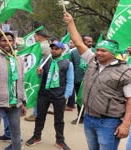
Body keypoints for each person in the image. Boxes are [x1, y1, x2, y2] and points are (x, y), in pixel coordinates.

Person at [64, 12, 131, 150]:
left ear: (113, 54)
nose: (98, 53)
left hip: (109, 122)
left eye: (103, 51)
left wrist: (125, 124)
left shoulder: (125, 71)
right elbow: (78, 42)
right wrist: (70, 22)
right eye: (98, 50)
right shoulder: (92, 61)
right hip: (89, 118)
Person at [25, 41, 73, 150]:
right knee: (40, 117)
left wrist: (66, 95)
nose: (54, 50)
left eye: (57, 49)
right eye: (52, 48)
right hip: (44, 94)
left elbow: (70, 80)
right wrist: (39, 73)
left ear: (62, 50)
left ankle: (60, 141)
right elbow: (38, 78)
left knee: (59, 120)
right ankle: (37, 137)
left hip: (59, 95)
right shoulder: (45, 60)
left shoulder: (67, 63)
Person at [25, 29, 50, 122]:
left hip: (41, 72)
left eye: (35, 36)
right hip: (43, 72)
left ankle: (36, 114)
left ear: (39, 36)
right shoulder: (46, 45)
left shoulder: (41, 46)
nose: (34, 38)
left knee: (37, 92)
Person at [70, 35, 93, 124]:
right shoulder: (73, 52)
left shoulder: (95, 52)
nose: (91, 43)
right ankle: (80, 116)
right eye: (88, 41)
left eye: (91, 41)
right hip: (78, 80)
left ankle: (89, 117)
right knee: (80, 98)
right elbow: (71, 66)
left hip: (91, 81)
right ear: (82, 42)